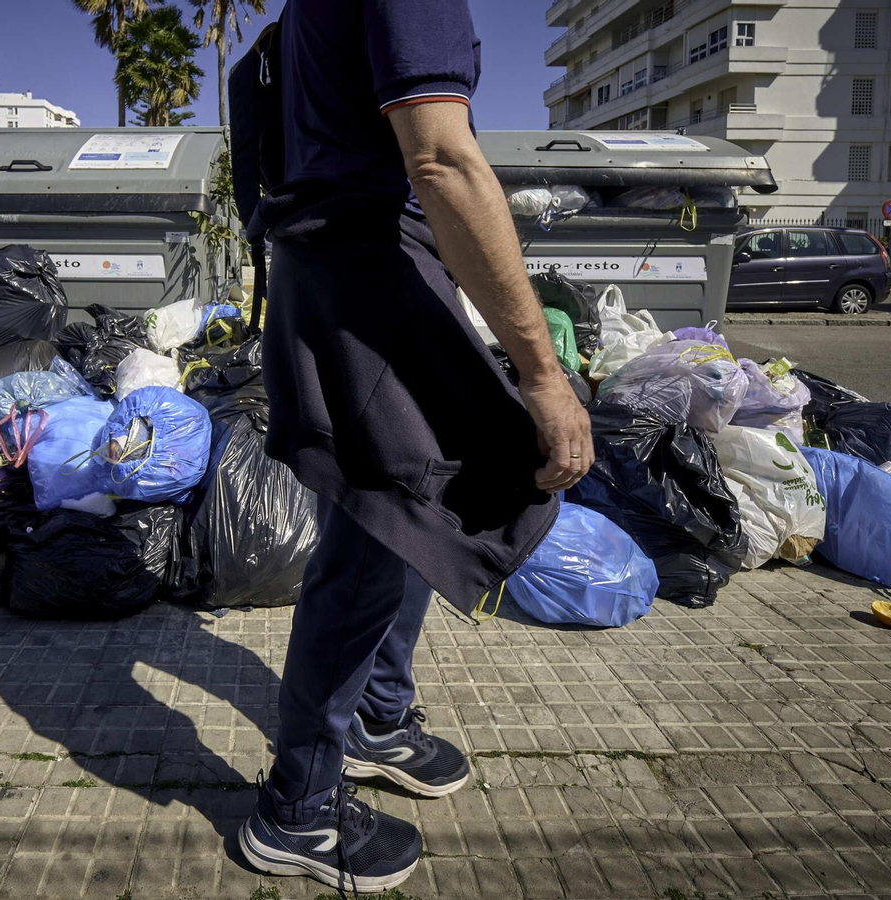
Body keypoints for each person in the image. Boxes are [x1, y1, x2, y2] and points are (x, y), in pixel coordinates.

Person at [233, 0, 594, 893]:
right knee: (373, 537)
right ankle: (298, 812)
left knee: (411, 514)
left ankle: (377, 720)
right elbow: (439, 157)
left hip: (332, 268)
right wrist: (544, 376)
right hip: (368, 275)